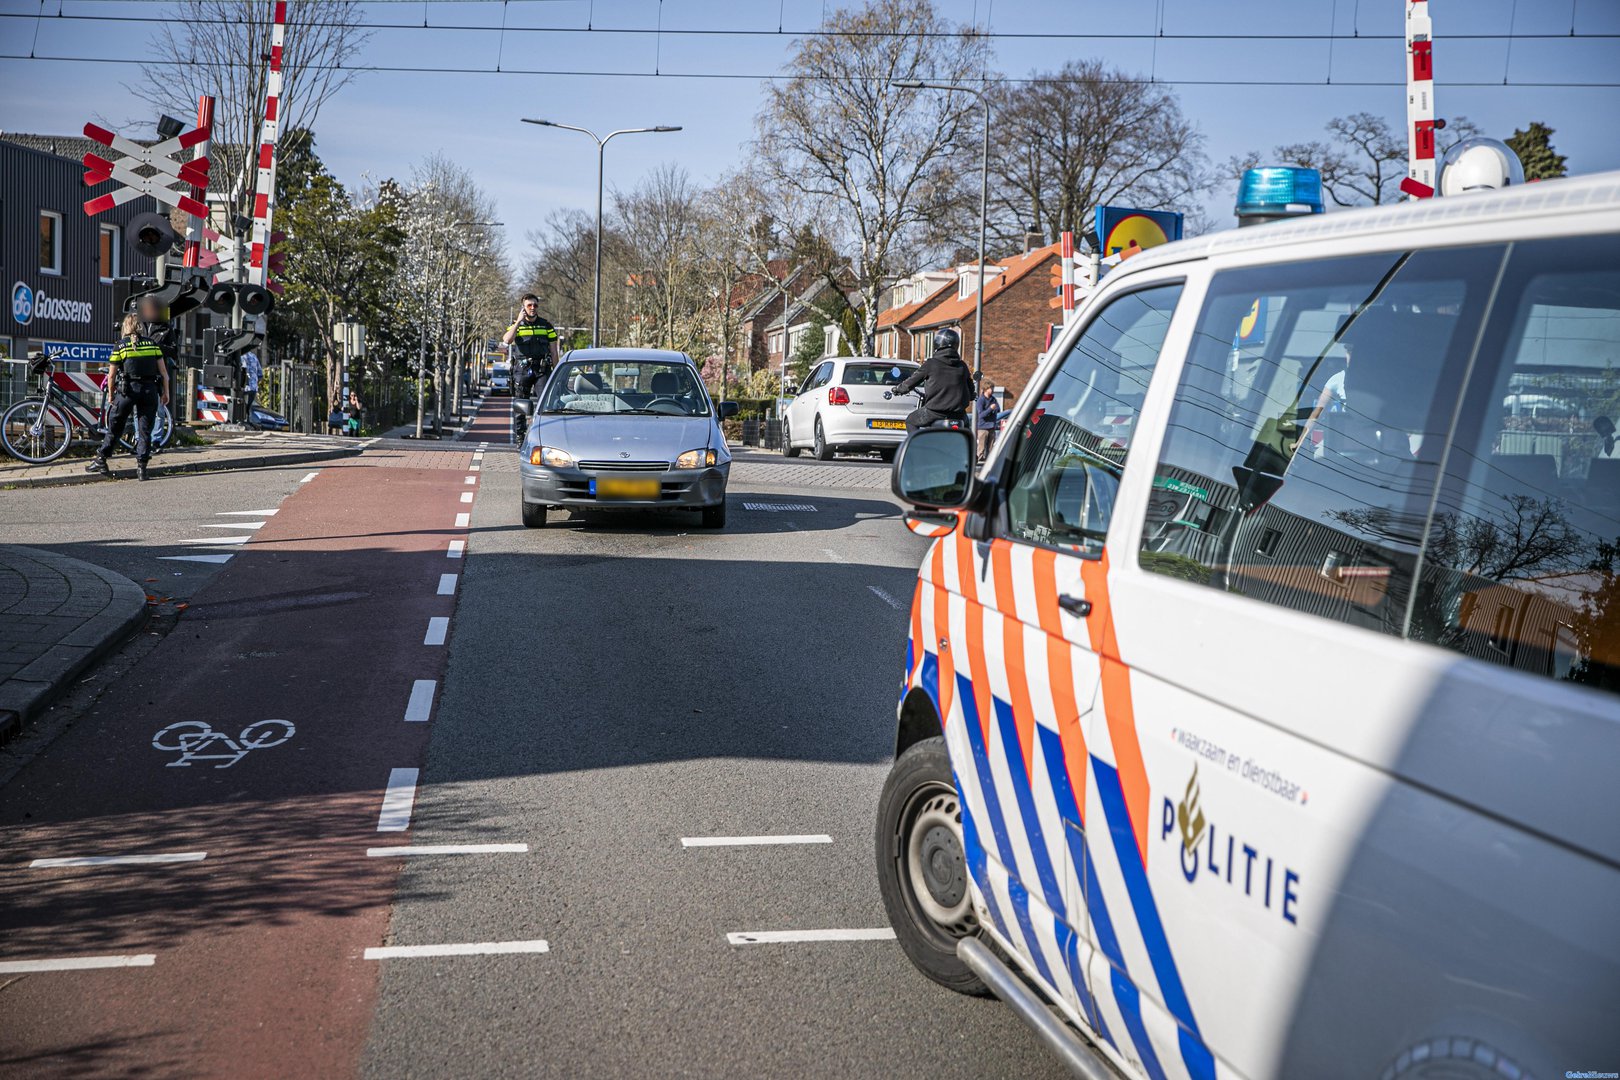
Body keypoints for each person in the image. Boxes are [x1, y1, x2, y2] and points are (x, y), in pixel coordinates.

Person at [87, 312, 169, 481]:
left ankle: (101, 459)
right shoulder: (153, 345)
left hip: (127, 391)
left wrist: (111, 394)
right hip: (149, 391)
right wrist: (165, 393)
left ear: (126, 326)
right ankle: (142, 469)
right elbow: (164, 374)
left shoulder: (120, 346)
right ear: (140, 327)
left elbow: (111, 375)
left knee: (115, 428)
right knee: (145, 429)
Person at [894, 327, 974, 434]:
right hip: (958, 414)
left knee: (910, 421)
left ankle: (916, 448)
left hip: (934, 413)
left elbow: (911, 382)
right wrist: (972, 395)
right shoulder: (962, 366)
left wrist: (898, 389)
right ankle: (969, 450)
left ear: (937, 344)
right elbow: (970, 387)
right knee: (968, 431)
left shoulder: (931, 364)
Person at [502, 294, 559, 399]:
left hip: (542, 369)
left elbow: (554, 352)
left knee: (546, 401)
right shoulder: (516, 325)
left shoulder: (546, 325)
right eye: (529, 305)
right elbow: (507, 340)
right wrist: (518, 321)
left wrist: (557, 372)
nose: (532, 308)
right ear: (523, 308)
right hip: (522, 369)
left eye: (535, 305)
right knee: (521, 405)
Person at [974, 379, 1000, 460]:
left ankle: (990, 463)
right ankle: (978, 466)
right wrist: (990, 409)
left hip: (992, 427)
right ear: (986, 389)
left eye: (993, 388)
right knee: (981, 449)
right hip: (983, 428)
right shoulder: (981, 400)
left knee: (991, 449)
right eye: (991, 388)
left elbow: (998, 409)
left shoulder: (993, 399)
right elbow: (981, 415)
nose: (992, 390)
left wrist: (994, 409)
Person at [241, 349, 262, 427]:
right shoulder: (254, 356)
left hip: (244, 387)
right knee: (249, 406)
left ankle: (243, 420)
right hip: (253, 388)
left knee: (241, 405)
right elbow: (260, 374)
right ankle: (248, 421)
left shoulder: (239, 356)